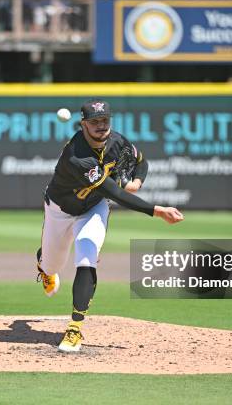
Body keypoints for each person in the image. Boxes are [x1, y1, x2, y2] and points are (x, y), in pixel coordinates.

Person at [36, 99, 184, 353]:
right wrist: (157, 211)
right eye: (94, 121)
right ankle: (43, 263)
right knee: (52, 264)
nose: (101, 125)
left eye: (105, 120)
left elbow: (141, 161)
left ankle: (74, 328)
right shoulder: (77, 156)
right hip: (60, 210)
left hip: (94, 208)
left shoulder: (117, 141)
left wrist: (137, 180)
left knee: (86, 258)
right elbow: (114, 192)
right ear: (83, 124)